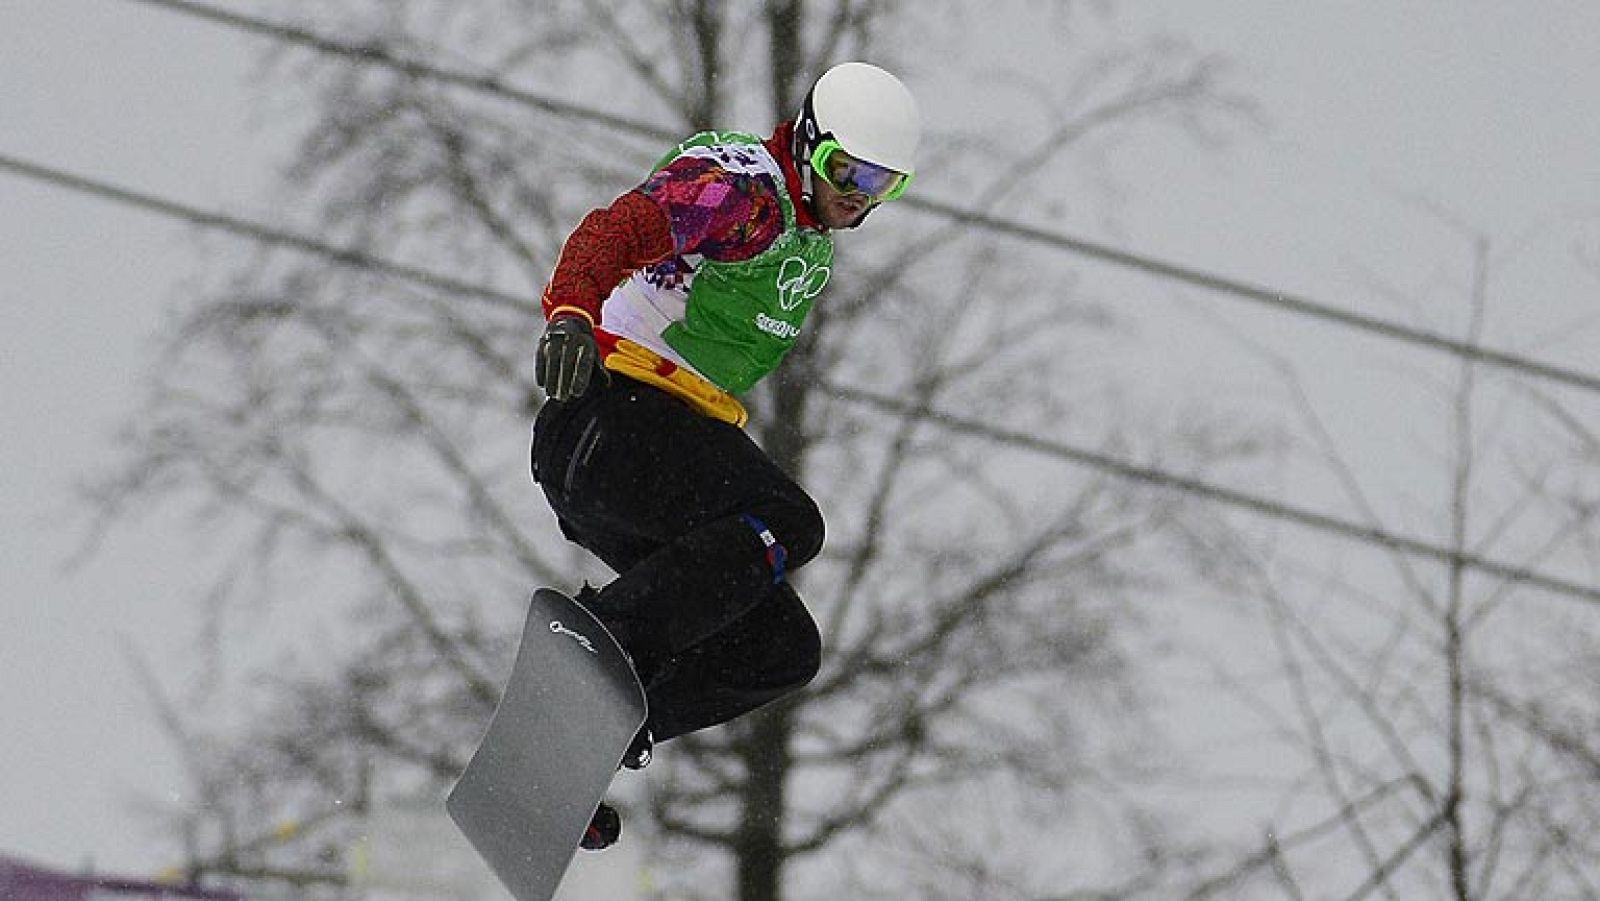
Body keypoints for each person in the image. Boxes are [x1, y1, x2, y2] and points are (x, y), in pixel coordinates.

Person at [529, 61, 920, 849]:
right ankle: (605, 639)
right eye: (848, 170)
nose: (859, 195)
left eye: (885, 184)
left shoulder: (809, 236)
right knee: (789, 520)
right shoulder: (746, 189)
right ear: (810, 144)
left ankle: (586, 742)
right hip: (613, 419)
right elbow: (620, 228)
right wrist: (570, 310)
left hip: (642, 460)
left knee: (779, 645)